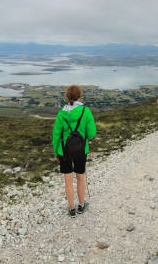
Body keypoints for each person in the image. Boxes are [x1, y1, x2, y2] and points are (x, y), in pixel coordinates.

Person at [52, 85, 96, 217]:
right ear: (79, 96)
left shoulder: (61, 114)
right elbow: (92, 133)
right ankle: (81, 206)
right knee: (80, 177)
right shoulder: (85, 111)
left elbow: (55, 135)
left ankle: (71, 209)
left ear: (67, 97)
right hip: (81, 150)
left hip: (64, 151)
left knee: (68, 180)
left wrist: (56, 152)